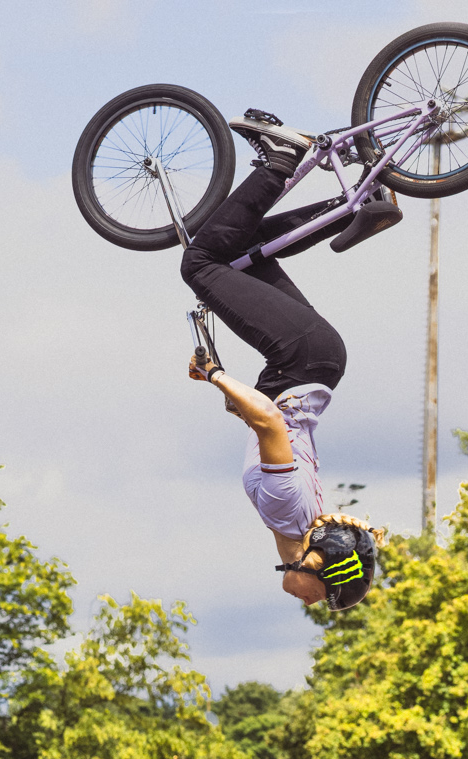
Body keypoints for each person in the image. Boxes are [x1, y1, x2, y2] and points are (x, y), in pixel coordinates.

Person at [181, 111, 392, 613]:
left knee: (244, 254)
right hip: (300, 357)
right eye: (324, 599)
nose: (315, 605)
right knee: (199, 263)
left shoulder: (302, 519)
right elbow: (271, 421)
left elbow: (270, 422)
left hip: (312, 363)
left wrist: (235, 401)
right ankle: (281, 159)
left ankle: (354, 204)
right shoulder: (287, 513)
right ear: (320, 567)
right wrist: (215, 376)